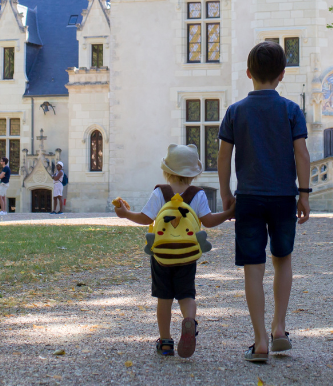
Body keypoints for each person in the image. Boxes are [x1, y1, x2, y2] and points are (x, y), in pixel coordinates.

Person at [217, 40, 310, 363]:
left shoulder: (235, 111)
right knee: (282, 259)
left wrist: (227, 193)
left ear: (248, 73)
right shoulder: (291, 110)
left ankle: (259, 341)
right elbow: (302, 154)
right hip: (283, 196)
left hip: (250, 198)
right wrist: (305, 193)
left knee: (252, 269)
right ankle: (280, 328)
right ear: (282, 75)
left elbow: (223, 156)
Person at [113, 144, 233, 358]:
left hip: (162, 255)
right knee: (186, 294)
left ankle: (166, 341)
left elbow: (146, 218)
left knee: (164, 298)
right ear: (193, 174)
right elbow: (208, 221)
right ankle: (189, 320)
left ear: (167, 171)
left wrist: (126, 213)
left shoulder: (161, 192)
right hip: (187, 254)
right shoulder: (198, 194)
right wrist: (228, 213)